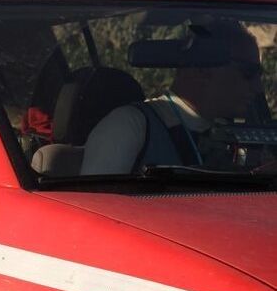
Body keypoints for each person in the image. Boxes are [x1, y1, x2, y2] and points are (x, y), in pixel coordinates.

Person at [81, 21, 266, 175]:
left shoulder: (231, 136)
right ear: (202, 68)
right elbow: (96, 209)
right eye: (248, 73)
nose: (258, 87)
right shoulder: (130, 126)